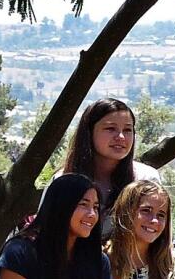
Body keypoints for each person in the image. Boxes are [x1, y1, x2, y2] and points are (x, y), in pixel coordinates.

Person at [62, 98, 159, 236]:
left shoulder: (146, 179)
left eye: (127, 130)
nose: (120, 136)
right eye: (110, 129)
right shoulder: (64, 180)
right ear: (89, 132)